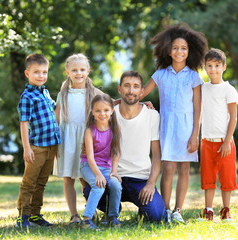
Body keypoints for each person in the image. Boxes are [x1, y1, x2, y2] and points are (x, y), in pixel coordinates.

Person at [139, 23, 208, 223]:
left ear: (189, 51)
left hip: (187, 129)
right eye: (175, 48)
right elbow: (141, 92)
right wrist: (141, 101)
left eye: (184, 48)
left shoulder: (195, 77)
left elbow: (198, 108)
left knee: (184, 169)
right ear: (168, 50)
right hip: (167, 127)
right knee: (168, 168)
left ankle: (178, 211)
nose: (179, 51)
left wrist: (196, 134)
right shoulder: (160, 74)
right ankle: (166, 211)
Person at [83, 71, 168, 222]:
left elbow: (156, 155)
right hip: (112, 176)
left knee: (158, 216)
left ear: (142, 92)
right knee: (91, 189)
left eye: (136, 87)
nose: (131, 90)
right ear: (119, 89)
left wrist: (151, 184)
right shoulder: (108, 114)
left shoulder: (152, 116)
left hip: (140, 179)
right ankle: (112, 210)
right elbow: (94, 119)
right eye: (127, 86)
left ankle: (144, 208)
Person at [53, 53, 103, 224]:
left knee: (85, 178)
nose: (78, 73)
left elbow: (110, 104)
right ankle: (74, 214)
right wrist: (55, 145)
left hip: (86, 141)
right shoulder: (63, 93)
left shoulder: (94, 92)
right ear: (67, 72)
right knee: (69, 178)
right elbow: (56, 120)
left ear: (88, 71)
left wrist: (139, 104)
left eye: (82, 69)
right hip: (67, 141)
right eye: (74, 70)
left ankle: (91, 211)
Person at [16, 53, 61, 228]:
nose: (41, 76)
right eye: (36, 72)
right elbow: (24, 124)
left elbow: (55, 114)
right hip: (36, 148)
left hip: (51, 146)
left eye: (44, 72)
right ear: (27, 74)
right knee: (29, 182)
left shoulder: (46, 93)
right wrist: (27, 149)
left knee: (41, 182)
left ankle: (35, 214)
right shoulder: (27, 97)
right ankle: (23, 217)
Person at [197, 48, 238, 221]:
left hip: (225, 142)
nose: (213, 69)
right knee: (208, 178)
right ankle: (208, 211)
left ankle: (226, 210)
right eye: (209, 66)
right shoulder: (202, 89)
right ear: (205, 67)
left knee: (227, 179)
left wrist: (227, 141)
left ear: (224, 67)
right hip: (207, 141)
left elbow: (233, 117)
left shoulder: (228, 90)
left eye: (217, 65)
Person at [80, 94, 122, 229]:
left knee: (116, 184)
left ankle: (112, 217)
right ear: (92, 112)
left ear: (112, 110)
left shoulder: (115, 128)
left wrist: (114, 171)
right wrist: (98, 174)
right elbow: (90, 157)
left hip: (106, 168)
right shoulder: (89, 130)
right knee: (98, 186)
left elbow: (116, 153)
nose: (102, 114)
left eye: (105, 110)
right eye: (97, 111)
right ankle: (86, 220)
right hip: (89, 166)